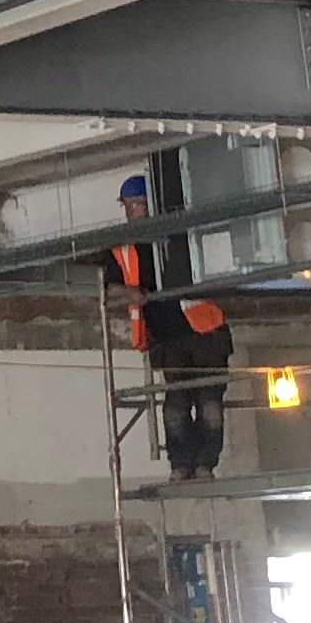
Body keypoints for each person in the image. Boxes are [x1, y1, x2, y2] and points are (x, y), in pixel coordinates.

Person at [116, 177, 234, 478]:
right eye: (128, 205)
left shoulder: (181, 233)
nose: (133, 211)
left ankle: (205, 465)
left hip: (205, 334)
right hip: (166, 338)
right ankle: (181, 466)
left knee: (209, 405)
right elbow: (107, 285)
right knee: (175, 409)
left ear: (153, 204)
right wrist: (127, 292)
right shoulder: (124, 248)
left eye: (138, 204)